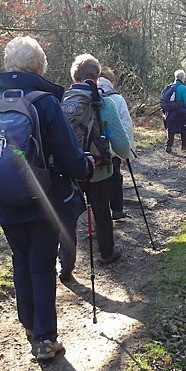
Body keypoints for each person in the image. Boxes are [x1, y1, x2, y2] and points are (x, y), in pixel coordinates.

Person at [0, 36, 94, 362]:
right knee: (42, 265)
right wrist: (87, 166)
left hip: (3, 200)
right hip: (44, 200)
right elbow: (70, 158)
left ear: (8, 65)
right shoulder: (46, 102)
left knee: (21, 259)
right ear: (39, 66)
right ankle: (45, 339)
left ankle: (30, 327)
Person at [60, 54, 131, 273]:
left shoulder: (60, 101)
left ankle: (66, 264)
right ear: (97, 76)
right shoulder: (104, 102)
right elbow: (121, 145)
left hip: (69, 169)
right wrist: (121, 153)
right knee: (101, 211)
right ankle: (107, 252)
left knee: (67, 216)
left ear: (73, 76)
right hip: (99, 169)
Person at [98, 66, 135, 221]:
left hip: (92, 148)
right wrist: (128, 152)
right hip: (113, 147)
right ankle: (117, 209)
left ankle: (100, 212)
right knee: (115, 177)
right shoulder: (117, 99)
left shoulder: (84, 96)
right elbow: (126, 126)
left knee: (98, 183)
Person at [164, 69, 186, 153]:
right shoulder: (182, 88)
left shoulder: (170, 87)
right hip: (180, 111)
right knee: (183, 127)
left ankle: (168, 146)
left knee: (171, 129)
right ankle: (184, 144)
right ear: (183, 78)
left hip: (170, 112)